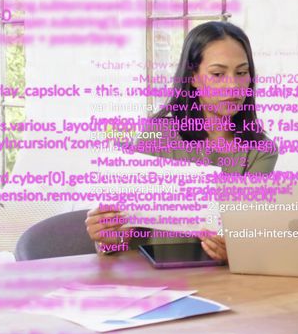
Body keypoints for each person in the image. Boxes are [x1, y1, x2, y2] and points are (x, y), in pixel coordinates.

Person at [84, 21, 277, 261]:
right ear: (193, 77)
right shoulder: (156, 134)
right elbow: (122, 237)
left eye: (241, 73)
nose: (233, 85)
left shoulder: (261, 151)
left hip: (221, 281)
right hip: (153, 279)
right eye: (218, 74)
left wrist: (239, 252)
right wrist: (108, 237)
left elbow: (249, 235)